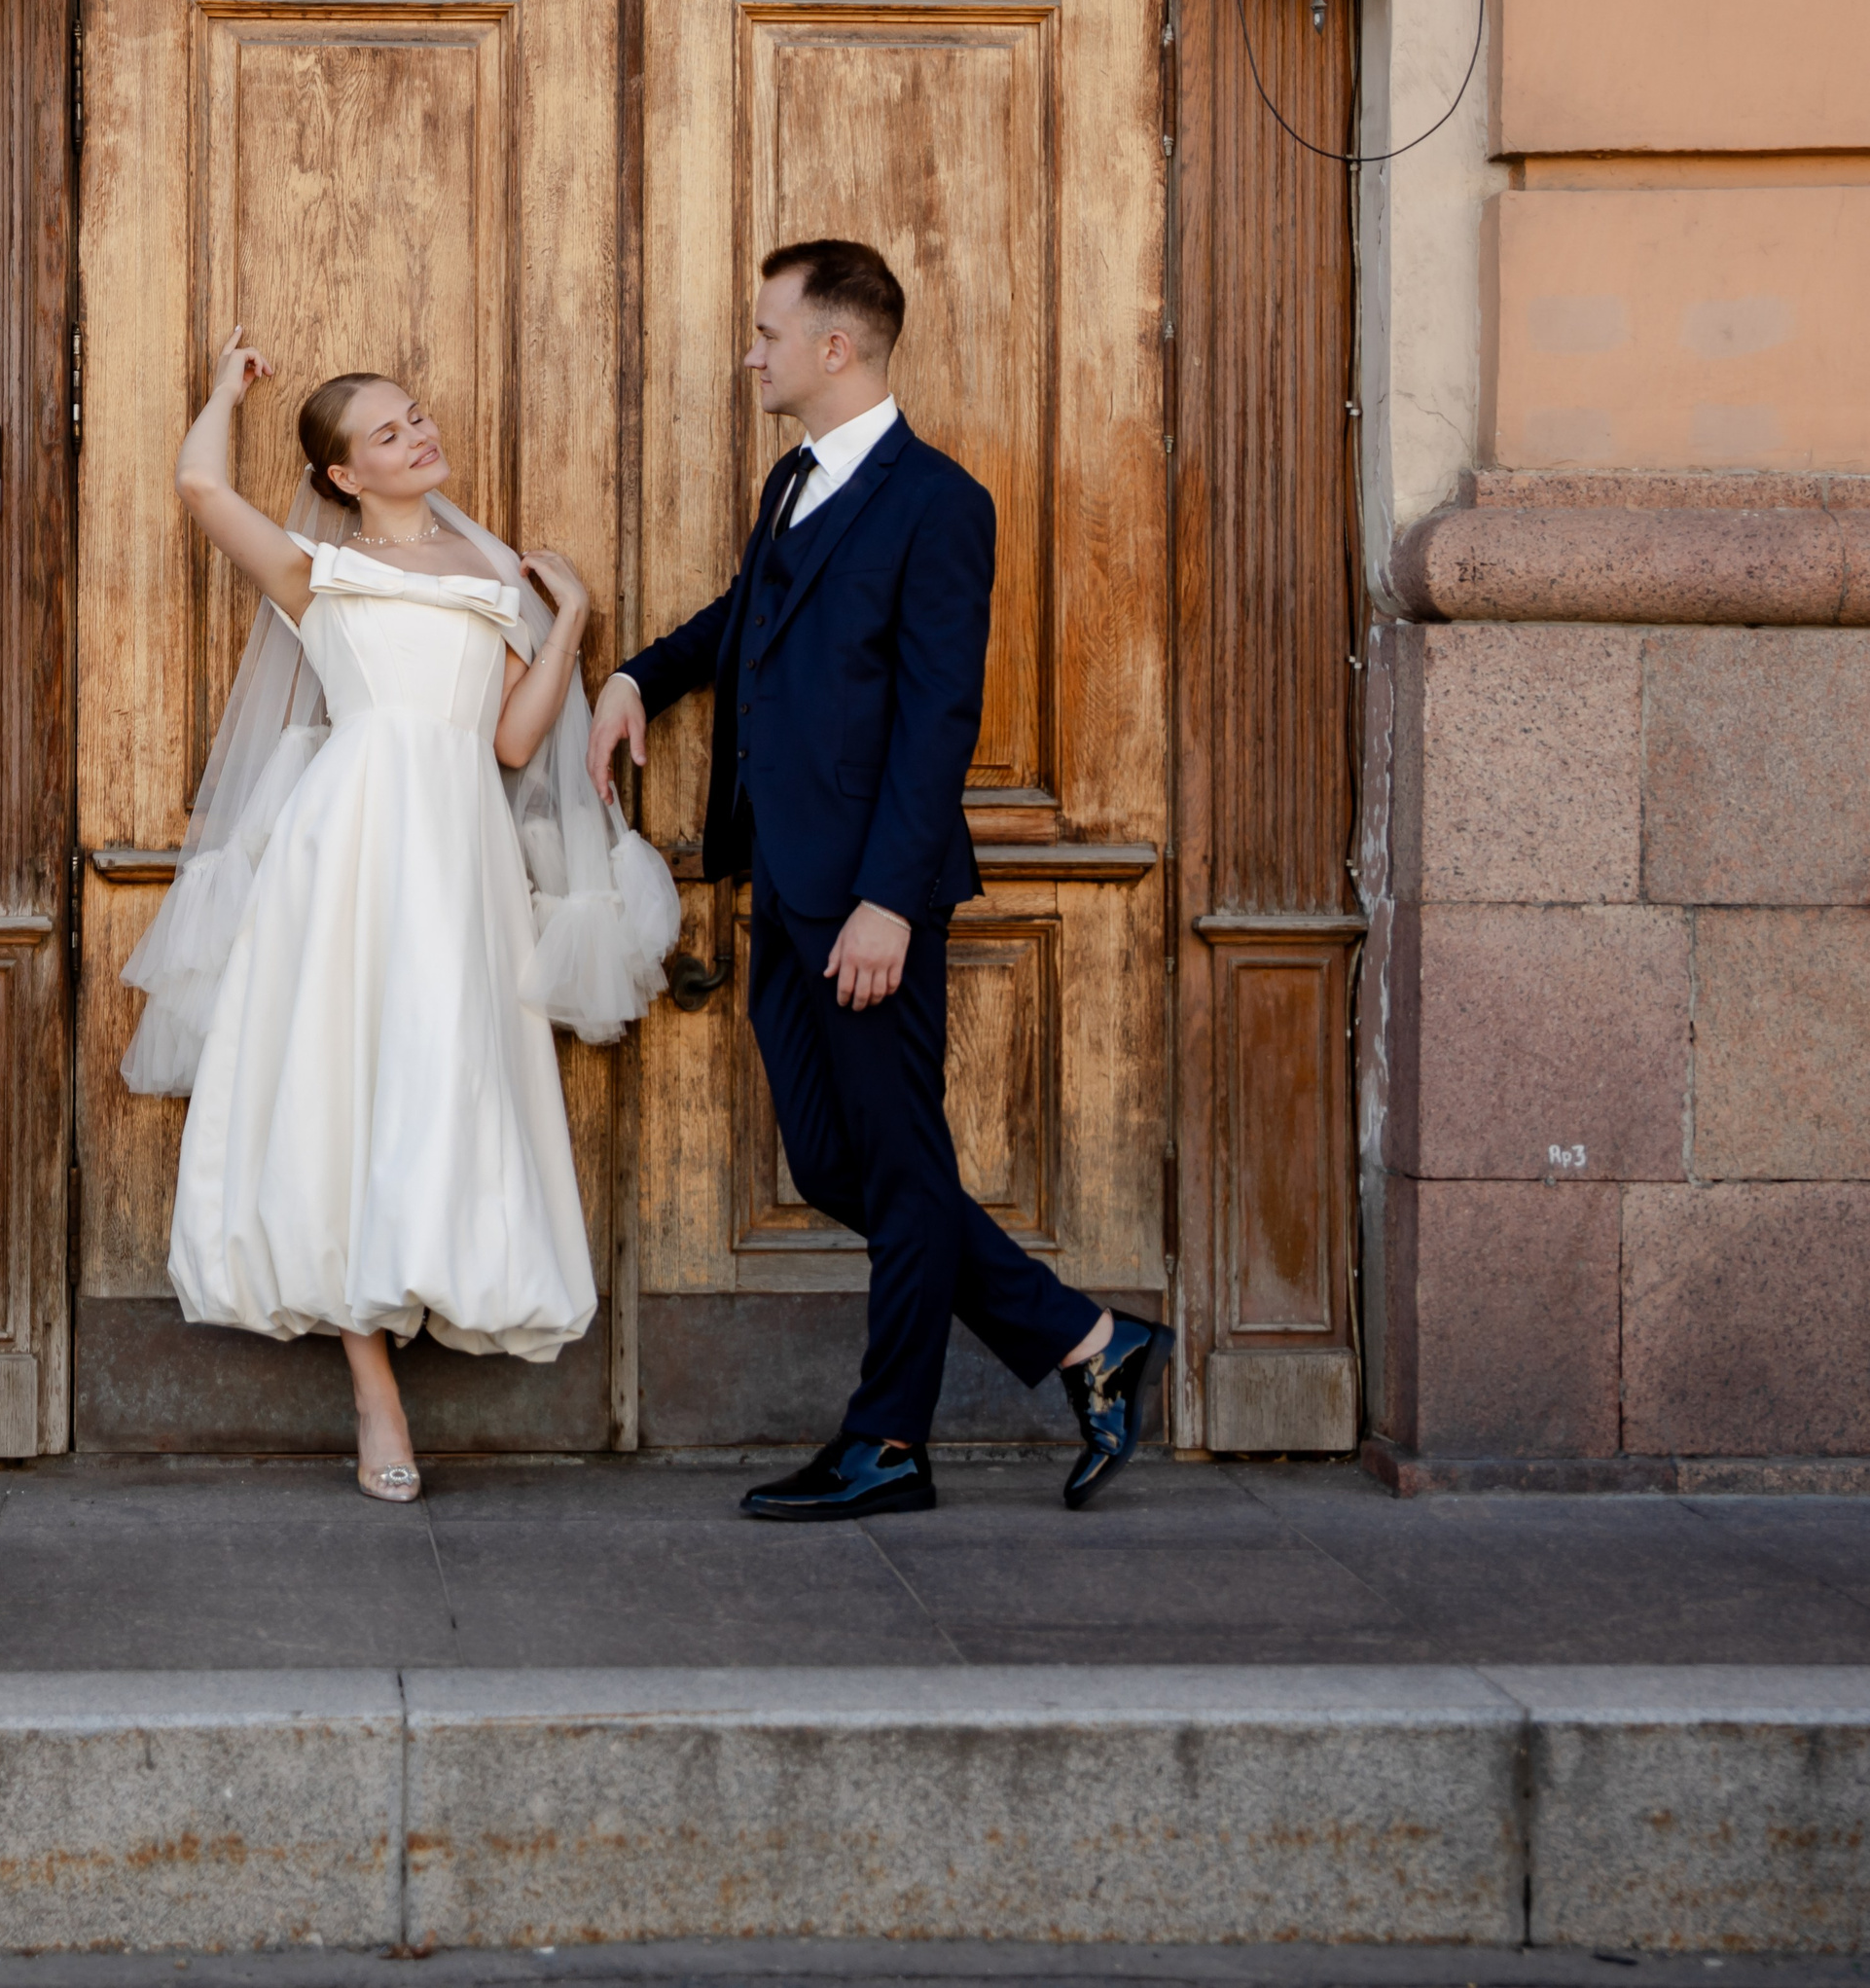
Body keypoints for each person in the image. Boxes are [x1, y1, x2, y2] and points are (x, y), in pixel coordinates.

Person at [589, 239, 1173, 1518]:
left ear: (834, 347)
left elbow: (936, 718)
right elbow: (751, 615)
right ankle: (1086, 1342)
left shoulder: (939, 502)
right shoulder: (790, 481)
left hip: (867, 900)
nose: (753, 352)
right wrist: (639, 673)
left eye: (767, 332)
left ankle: (890, 1443)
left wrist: (890, 901)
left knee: (901, 1171)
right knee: (840, 1166)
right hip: (781, 886)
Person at [123, 333, 676, 1502]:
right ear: (341, 479)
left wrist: (567, 616)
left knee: (445, 1072)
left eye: (415, 416)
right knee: (344, 1083)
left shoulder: (489, 577)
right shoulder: (316, 576)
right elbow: (200, 488)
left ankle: (433, 1269)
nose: (417, 435)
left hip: (460, 850)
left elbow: (515, 744)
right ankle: (373, 1385)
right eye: (386, 433)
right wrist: (225, 393)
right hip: (349, 846)